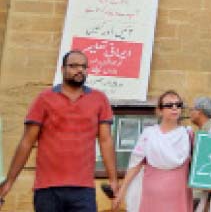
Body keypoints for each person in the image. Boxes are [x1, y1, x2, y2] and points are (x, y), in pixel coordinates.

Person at [0, 50, 117, 212]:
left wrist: (113, 180)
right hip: (48, 189)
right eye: (74, 66)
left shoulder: (99, 99)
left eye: (83, 66)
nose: (79, 70)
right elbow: (27, 142)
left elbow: (106, 141)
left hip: (83, 189)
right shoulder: (44, 99)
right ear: (62, 69)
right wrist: (9, 182)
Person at [113, 90, 193, 212]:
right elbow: (135, 165)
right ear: (160, 110)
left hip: (178, 196)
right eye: (169, 105)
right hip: (152, 196)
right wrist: (121, 192)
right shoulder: (149, 134)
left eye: (178, 105)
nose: (174, 108)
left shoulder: (188, 135)